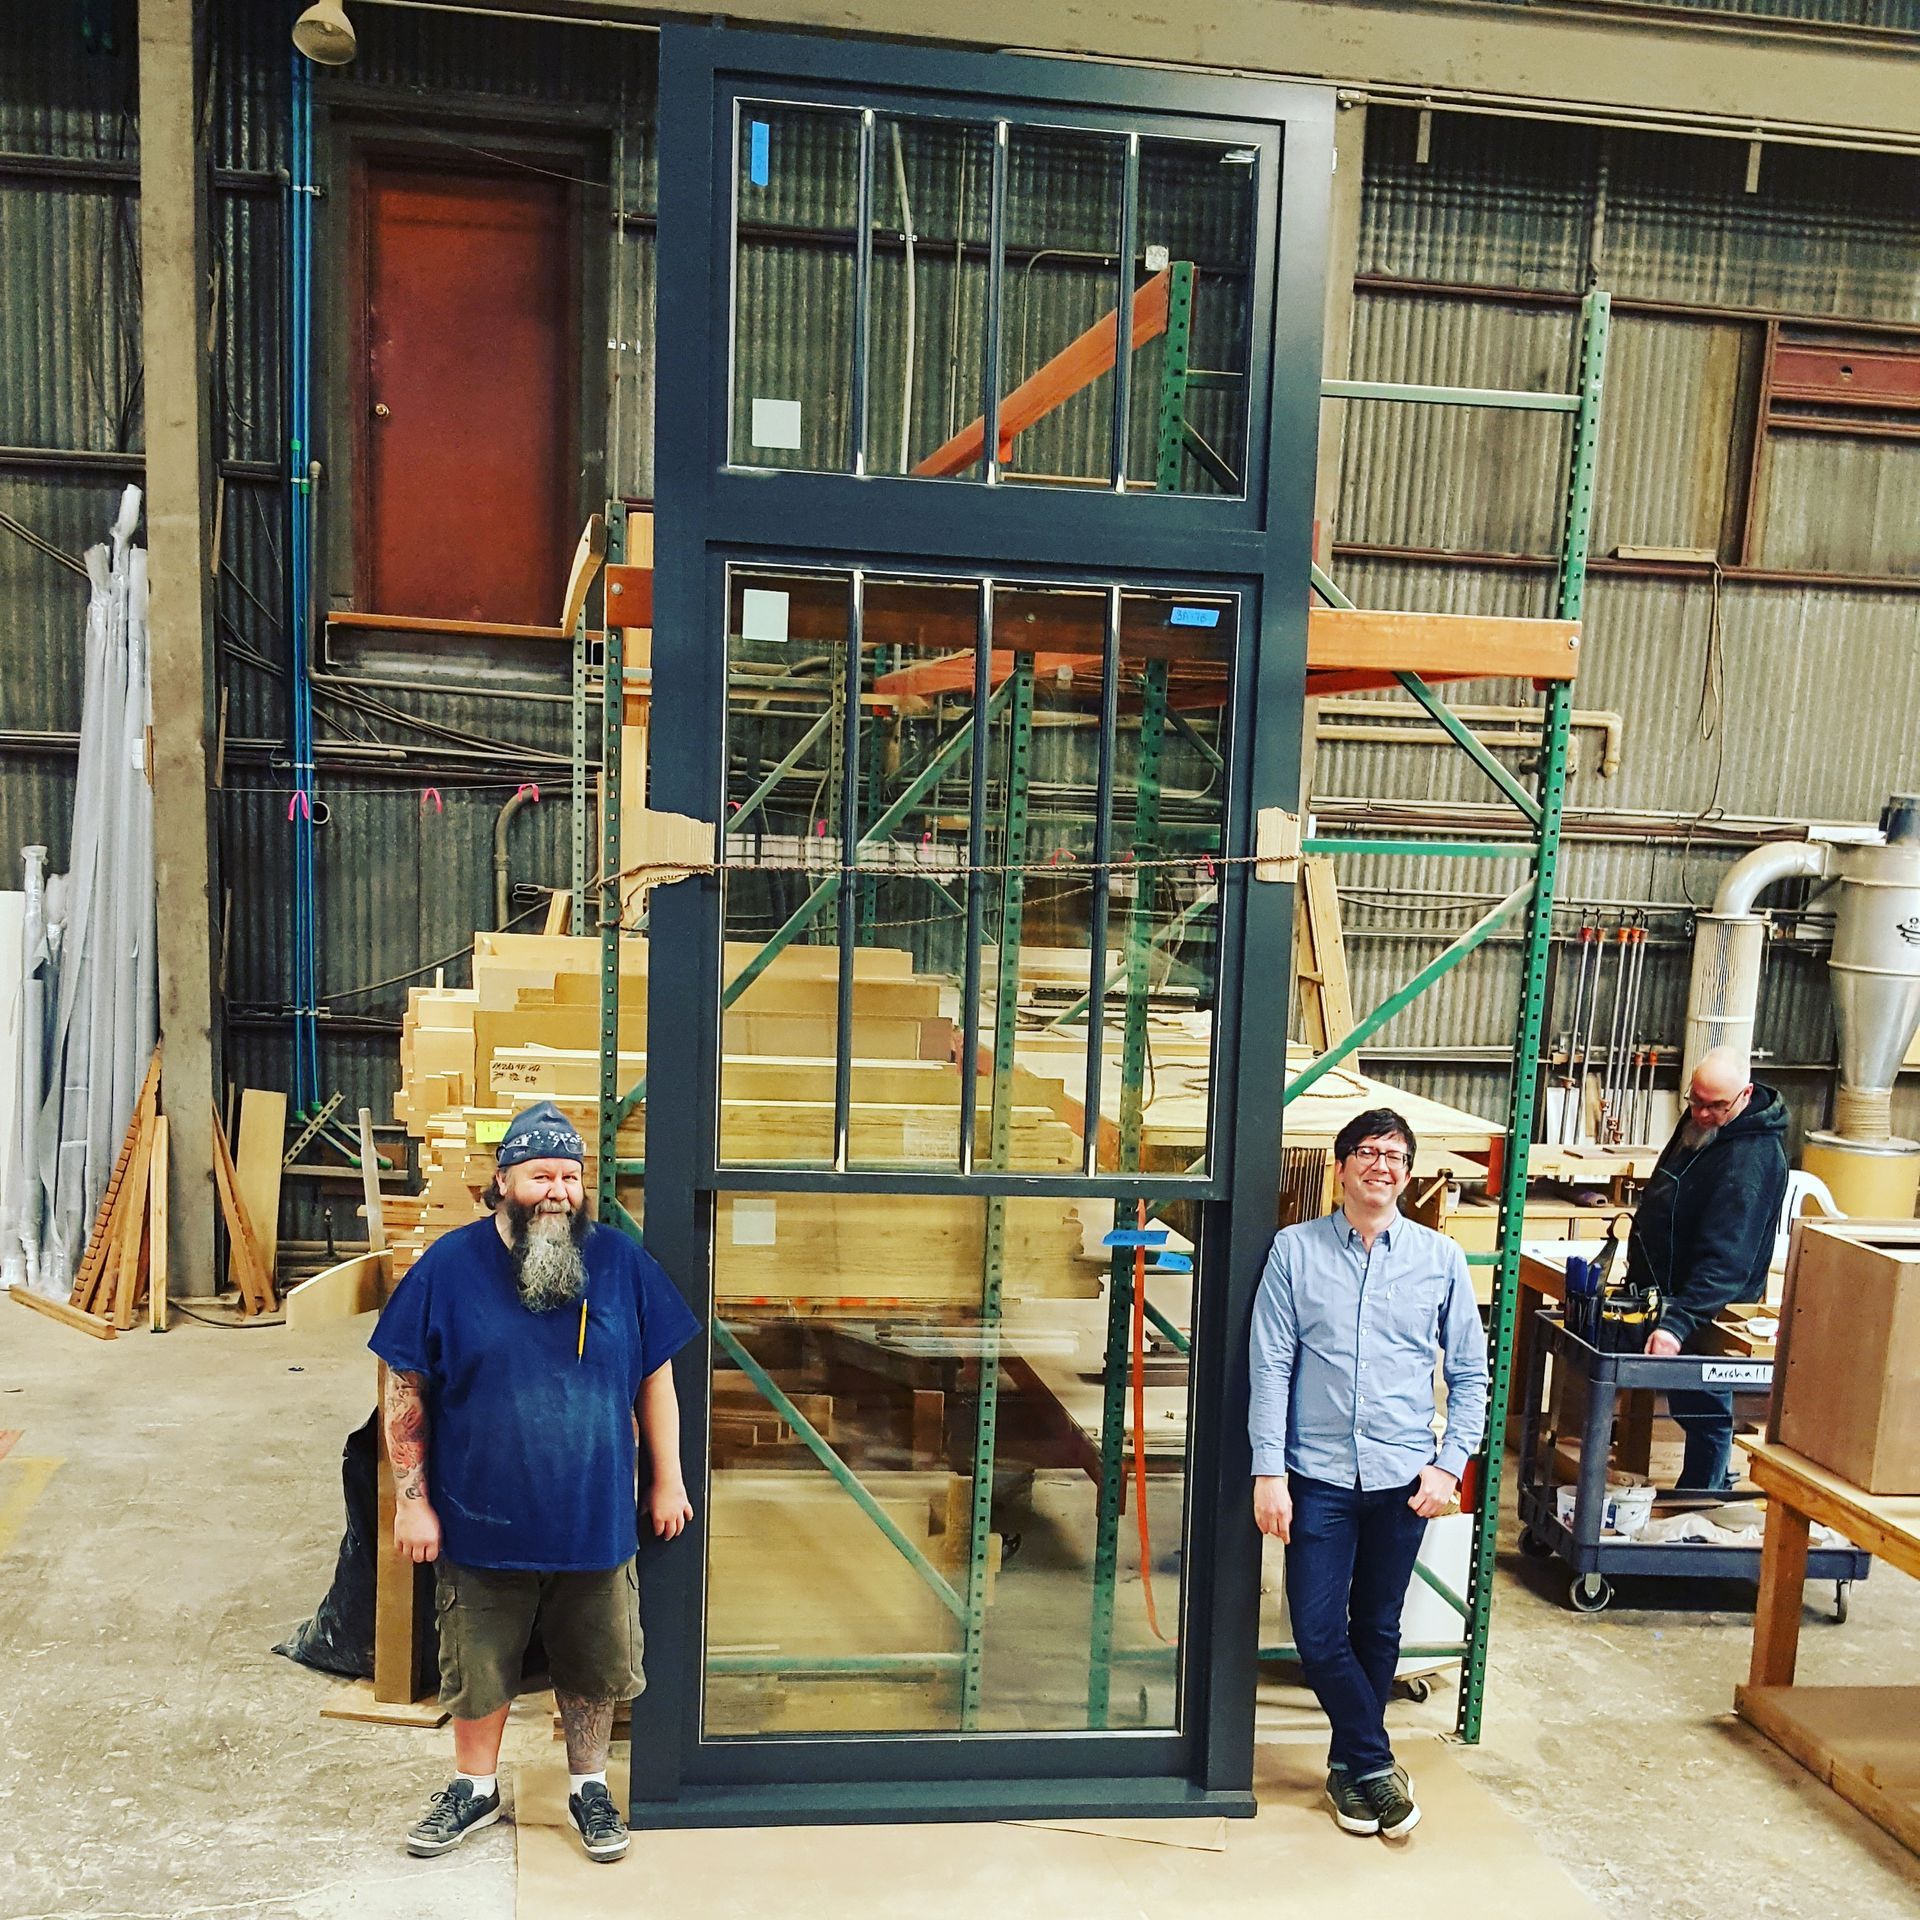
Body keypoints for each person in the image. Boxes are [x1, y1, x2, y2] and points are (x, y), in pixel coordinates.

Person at [368, 1099, 700, 1865]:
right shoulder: (448, 1268)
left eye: (570, 1177)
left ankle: (589, 1787)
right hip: (479, 1516)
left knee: (596, 1661)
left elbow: (656, 1379)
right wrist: (412, 1503)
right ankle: (474, 1787)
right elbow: (404, 1385)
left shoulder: (620, 1264)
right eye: (540, 1175)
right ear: (502, 1182)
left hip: (594, 1517)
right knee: (478, 1663)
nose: (558, 1191)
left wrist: (668, 1480)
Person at [1249, 1107, 1488, 1842]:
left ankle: (1347, 1769)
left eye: (1396, 1156)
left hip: (1402, 1480)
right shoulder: (1294, 1251)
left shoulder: (1440, 1259)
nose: (1381, 1166)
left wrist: (1450, 1465)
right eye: (1367, 1152)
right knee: (1318, 1632)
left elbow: (1471, 1375)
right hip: (1316, 1475)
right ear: (1342, 1165)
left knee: (1378, 1626)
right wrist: (1268, 1470)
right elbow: (1271, 1365)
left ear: (1407, 1174)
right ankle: (1377, 1761)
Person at [1626, 1045, 1789, 1492]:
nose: (1700, 1114)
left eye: (1714, 1106)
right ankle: (1705, 1487)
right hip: (1671, 1291)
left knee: (1703, 1407)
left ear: (1744, 1096)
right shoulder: (1706, 1122)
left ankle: (1702, 1499)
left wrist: (1678, 1323)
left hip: (1710, 1301)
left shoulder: (1750, 1160)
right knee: (1689, 1400)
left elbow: (1727, 1260)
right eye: (1694, 1101)